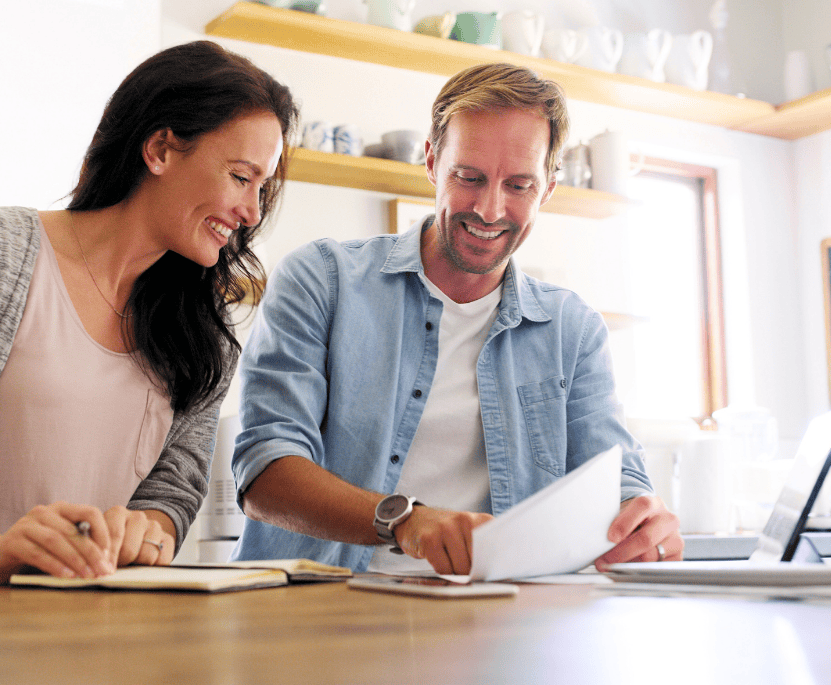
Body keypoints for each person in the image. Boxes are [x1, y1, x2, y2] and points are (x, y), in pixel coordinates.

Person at [0, 40, 299, 585]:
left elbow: (169, 497)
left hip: (71, 643)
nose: (252, 211)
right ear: (162, 149)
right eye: (241, 177)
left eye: (264, 186)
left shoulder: (204, 335)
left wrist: (145, 533)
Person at [230, 62, 682, 575]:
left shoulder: (572, 329)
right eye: (469, 178)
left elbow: (616, 482)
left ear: (549, 190)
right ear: (430, 162)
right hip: (325, 613)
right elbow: (265, 473)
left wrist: (643, 523)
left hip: (497, 624)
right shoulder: (323, 281)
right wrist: (404, 520)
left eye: (519, 186)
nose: (490, 210)